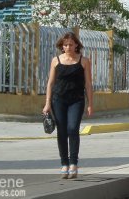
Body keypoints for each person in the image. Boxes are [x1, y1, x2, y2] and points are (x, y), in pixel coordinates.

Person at [42, 32, 93, 179]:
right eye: (65, 45)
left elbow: (88, 84)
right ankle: (64, 163)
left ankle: (73, 163)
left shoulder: (84, 61)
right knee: (62, 131)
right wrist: (47, 104)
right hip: (58, 100)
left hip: (76, 100)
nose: (68, 47)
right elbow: (50, 83)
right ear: (61, 46)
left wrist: (90, 104)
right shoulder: (56, 61)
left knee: (72, 129)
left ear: (76, 45)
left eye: (71, 44)